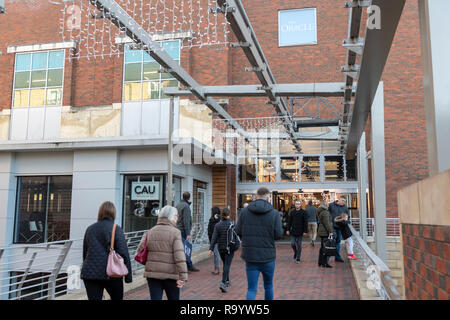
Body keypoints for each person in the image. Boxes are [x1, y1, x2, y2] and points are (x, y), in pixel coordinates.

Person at [235, 187, 284, 300]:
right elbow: (278, 234)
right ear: (268, 198)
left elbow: (237, 231)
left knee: (251, 289)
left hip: (250, 255)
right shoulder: (274, 213)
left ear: (256, 197)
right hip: (268, 255)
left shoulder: (244, 212)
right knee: (268, 286)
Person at [81, 201, 132, 300]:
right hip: (112, 273)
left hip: (90, 273)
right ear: (113, 213)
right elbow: (123, 252)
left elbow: (85, 251)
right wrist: (128, 276)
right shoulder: (116, 229)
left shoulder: (90, 229)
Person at [137, 205, 187, 300]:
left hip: (153, 274)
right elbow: (179, 256)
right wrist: (183, 276)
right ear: (172, 217)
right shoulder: (175, 232)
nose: (177, 218)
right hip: (171, 275)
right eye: (176, 216)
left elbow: (140, 249)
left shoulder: (150, 231)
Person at [209, 208, 236, 293]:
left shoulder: (218, 225)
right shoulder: (232, 224)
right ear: (229, 214)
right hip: (229, 248)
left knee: (225, 263)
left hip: (221, 248)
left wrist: (211, 248)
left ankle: (227, 280)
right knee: (227, 265)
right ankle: (223, 283)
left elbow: (214, 237)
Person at [175, 192, 200, 272]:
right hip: (183, 230)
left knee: (180, 249)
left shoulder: (178, 205)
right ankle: (188, 266)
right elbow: (186, 221)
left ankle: (186, 266)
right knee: (186, 249)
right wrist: (188, 233)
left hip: (177, 229)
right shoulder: (186, 206)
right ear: (189, 198)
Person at [328, 196, 349, 262]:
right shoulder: (331, 205)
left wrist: (346, 221)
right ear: (338, 199)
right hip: (332, 227)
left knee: (338, 242)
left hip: (340, 227)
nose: (343, 202)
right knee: (331, 242)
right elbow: (327, 215)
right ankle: (327, 257)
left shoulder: (345, 208)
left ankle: (337, 257)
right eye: (342, 200)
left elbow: (347, 217)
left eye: (344, 201)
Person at [317, 200, 334, 268]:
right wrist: (330, 231)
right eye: (327, 204)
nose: (328, 205)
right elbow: (327, 223)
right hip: (325, 232)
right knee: (325, 248)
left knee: (322, 247)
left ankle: (320, 262)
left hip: (321, 231)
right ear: (325, 205)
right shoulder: (325, 212)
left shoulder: (320, 211)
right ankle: (324, 263)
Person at [207, 206, 221, 275]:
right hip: (213, 239)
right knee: (216, 254)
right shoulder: (212, 219)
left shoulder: (218, 220)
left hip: (217, 239)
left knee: (216, 254)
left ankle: (217, 269)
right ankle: (216, 268)